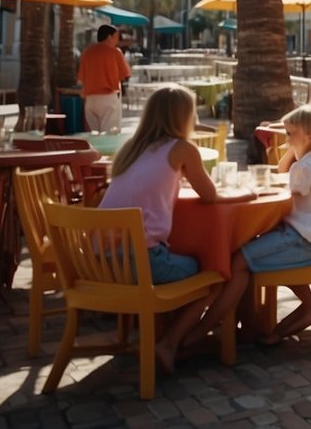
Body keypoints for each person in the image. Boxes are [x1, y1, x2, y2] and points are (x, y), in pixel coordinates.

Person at [98, 85, 245, 373]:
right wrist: (247, 194)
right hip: (139, 262)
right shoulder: (182, 149)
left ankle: (167, 333)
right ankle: (172, 342)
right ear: (183, 117)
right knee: (214, 275)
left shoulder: (131, 148)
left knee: (183, 261)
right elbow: (210, 195)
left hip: (102, 262)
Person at [191, 105, 311, 349]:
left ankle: (207, 329)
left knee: (239, 260)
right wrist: (293, 147)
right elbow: (285, 176)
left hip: (301, 240)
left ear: (308, 137)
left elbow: (283, 186)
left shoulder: (305, 167)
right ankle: (253, 323)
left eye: (291, 135)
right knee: (250, 253)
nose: (286, 140)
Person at [78, 24, 131, 132]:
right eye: (116, 37)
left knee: (94, 135)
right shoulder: (115, 52)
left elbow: (81, 79)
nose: (118, 40)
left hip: (90, 100)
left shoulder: (86, 53)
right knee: (109, 136)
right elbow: (125, 74)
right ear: (109, 37)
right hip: (108, 98)